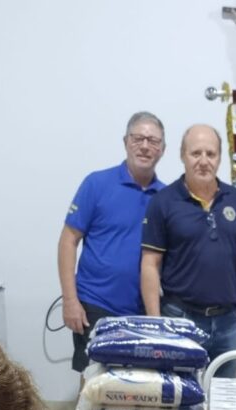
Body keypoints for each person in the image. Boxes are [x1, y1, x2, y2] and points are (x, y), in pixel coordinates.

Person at [140, 124, 236, 370]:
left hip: (228, 323)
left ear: (220, 158)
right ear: (183, 156)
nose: (204, 161)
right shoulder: (163, 202)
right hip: (180, 320)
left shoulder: (234, 198)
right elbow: (150, 264)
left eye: (211, 154)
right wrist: (156, 322)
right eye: (196, 153)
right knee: (180, 390)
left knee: (224, 393)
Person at [59, 111, 166, 372]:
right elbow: (68, 241)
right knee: (93, 384)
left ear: (162, 149)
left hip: (143, 313)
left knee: (137, 385)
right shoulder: (96, 184)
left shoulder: (166, 197)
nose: (144, 146)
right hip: (95, 307)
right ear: (125, 142)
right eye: (138, 138)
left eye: (153, 141)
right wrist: (70, 301)